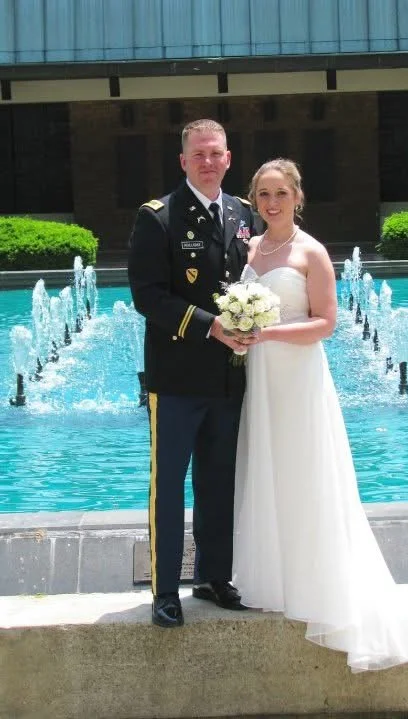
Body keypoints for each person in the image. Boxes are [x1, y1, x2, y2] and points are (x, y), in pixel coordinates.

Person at [232, 159, 408, 672]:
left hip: (298, 377)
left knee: (305, 473)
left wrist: (266, 332)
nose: (272, 203)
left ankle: (320, 583)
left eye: (281, 193)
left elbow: (326, 324)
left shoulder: (311, 251)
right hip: (259, 380)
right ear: (254, 199)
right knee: (267, 470)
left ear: (298, 196)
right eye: (263, 194)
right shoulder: (248, 248)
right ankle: (274, 577)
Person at [128, 119, 259, 628]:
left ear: (229, 159)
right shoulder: (157, 218)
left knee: (218, 480)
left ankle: (212, 576)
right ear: (183, 161)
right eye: (198, 154)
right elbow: (148, 296)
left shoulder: (243, 215)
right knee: (169, 484)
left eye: (216, 153)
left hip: (229, 378)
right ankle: (165, 590)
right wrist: (211, 327)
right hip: (177, 379)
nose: (208, 161)